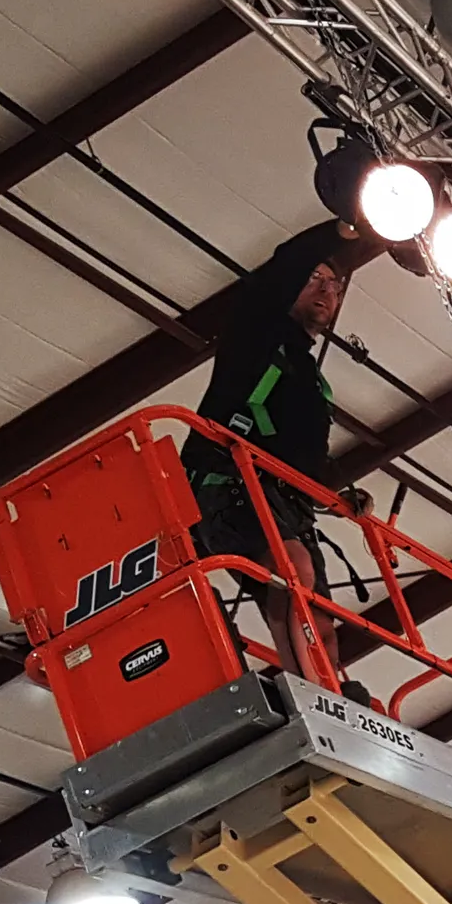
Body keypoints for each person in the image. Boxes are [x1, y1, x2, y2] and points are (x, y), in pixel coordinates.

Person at [185, 220, 357, 689]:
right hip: (230, 488)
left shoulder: (309, 378)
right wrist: (345, 227)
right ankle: (310, 689)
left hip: (283, 503)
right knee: (293, 573)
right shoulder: (255, 333)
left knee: (318, 617)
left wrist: (340, 493)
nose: (326, 290)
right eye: (315, 279)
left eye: (335, 286)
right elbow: (284, 264)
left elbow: (303, 454)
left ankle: (322, 688)